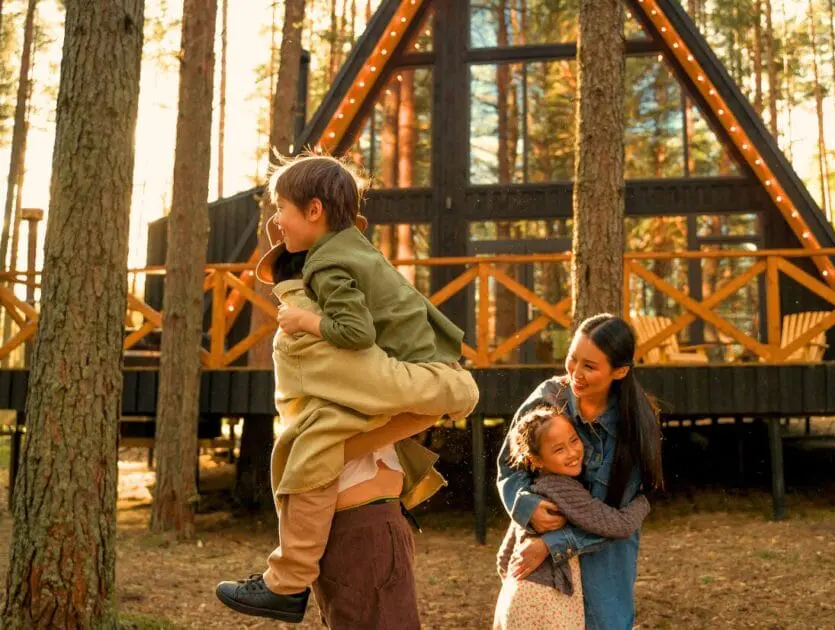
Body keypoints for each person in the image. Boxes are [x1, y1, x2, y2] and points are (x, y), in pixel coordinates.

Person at [216, 211, 479, 627]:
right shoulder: (310, 332)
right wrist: (458, 387)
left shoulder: (344, 325)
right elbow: (398, 389)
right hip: (359, 520)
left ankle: (287, 583)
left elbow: (388, 404)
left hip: (367, 517)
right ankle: (286, 583)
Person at [496, 314, 663, 630]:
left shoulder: (637, 424)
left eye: (590, 366)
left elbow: (617, 518)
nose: (575, 373)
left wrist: (553, 542)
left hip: (605, 559)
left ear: (620, 371)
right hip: (542, 564)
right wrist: (525, 506)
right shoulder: (548, 396)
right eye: (573, 359)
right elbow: (509, 465)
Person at [493, 406, 651, 630]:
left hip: (513, 600)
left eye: (574, 441)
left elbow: (503, 558)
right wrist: (643, 501)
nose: (572, 453)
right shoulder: (564, 489)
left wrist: (518, 589)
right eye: (559, 449)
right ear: (536, 460)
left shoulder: (530, 496)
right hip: (546, 603)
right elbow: (620, 525)